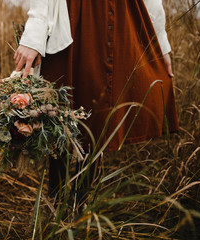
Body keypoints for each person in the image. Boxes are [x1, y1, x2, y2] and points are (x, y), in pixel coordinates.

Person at [14, 0, 179, 203]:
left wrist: (160, 44)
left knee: (100, 109)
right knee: (58, 106)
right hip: (73, 13)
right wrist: (34, 35)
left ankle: (82, 200)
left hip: (118, 15)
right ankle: (56, 197)